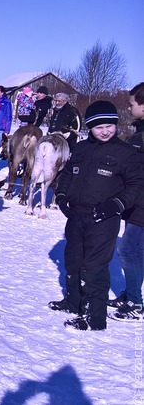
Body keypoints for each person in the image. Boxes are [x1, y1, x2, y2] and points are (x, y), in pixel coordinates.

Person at [50, 100, 144, 331]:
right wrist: (61, 196)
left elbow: (136, 185)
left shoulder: (125, 153)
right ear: (89, 127)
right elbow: (68, 176)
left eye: (109, 126)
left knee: (95, 265)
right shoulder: (81, 149)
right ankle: (74, 302)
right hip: (76, 215)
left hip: (104, 218)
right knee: (72, 260)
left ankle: (94, 317)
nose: (105, 131)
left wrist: (116, 205)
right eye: (99, 126)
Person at [109, 82, 144, 321]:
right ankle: (132, 293)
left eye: (132, 104)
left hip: (141, 202)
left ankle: (135, 302)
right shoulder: (140, 132)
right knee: (138, 251)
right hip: (137, 201)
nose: (129, 108)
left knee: (127, 249)